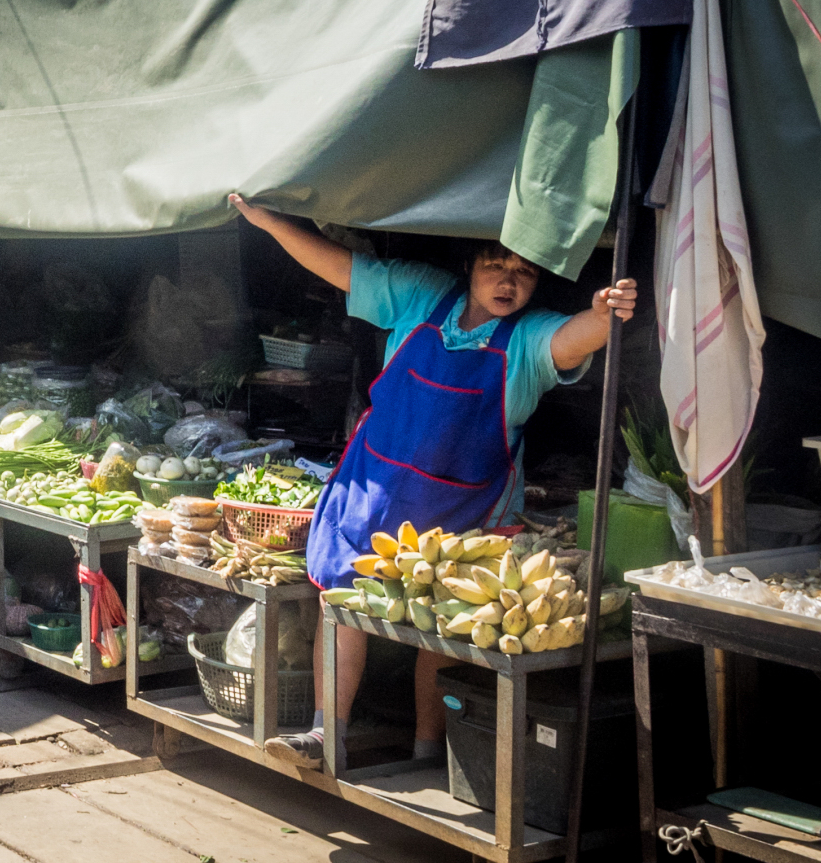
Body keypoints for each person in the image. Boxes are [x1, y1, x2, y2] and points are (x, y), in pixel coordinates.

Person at [230, 195, 637, 771]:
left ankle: (430, 752)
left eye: (524, 272)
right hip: (373, 494)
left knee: (448, 626)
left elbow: (574, 337)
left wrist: (605, 314)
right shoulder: (421, 295)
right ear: (470, 265)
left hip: (470, 511)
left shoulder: (527, 339)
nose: (508, 281)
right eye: (496, 265)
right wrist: (270, 221)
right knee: (340, 607)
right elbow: (340, 268)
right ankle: (325, 737)